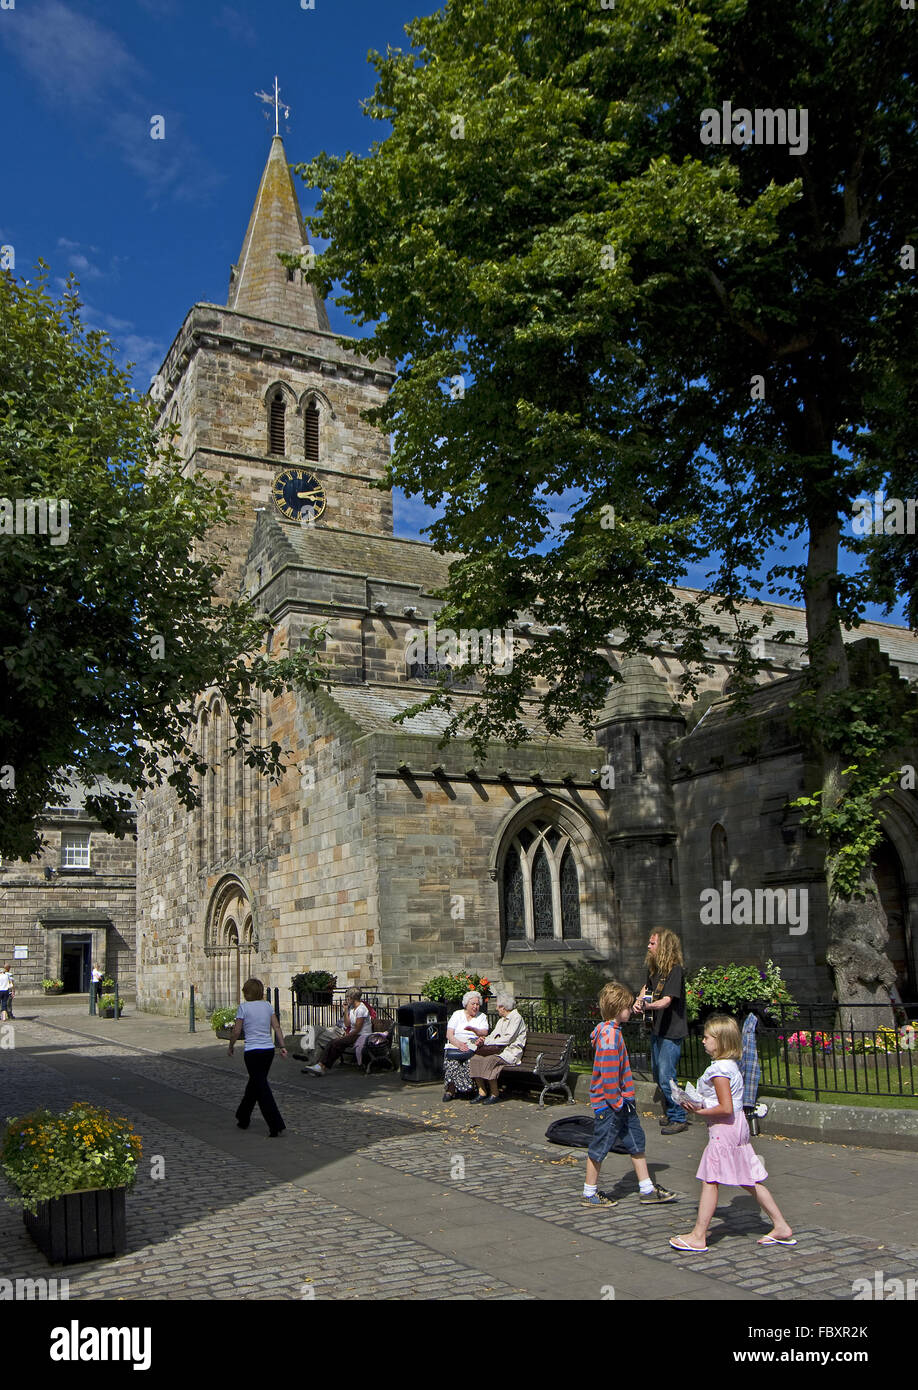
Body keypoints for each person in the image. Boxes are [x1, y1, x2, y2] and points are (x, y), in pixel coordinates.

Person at [670, 1013, 795, 1252]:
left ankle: (698, 1235)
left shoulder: (719, 1070)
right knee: (749, 1178)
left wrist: (697, 1110)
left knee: (711, 1180)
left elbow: (724, 1107)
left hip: (724, 1130)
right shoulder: (730, 1066)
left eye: (707, 1037)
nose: (703, 1041)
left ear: (720, 1041)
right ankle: (780, 1225)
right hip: (737, 1127)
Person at [582, 981, 676, 1208]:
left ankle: (646, 1188)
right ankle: (589, 1192)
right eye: (626, 1007)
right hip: (613, 1104)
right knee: (600, 1146)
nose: (631, 1010)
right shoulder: (611, 1039)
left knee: (636, 1142)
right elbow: (609, 1076)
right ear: (617, 1009)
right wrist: (617, 1102)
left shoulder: (608, 1031)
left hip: (623, 1102)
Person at [635, 928, 688, 1133]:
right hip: (656, 1028)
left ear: (664, 946)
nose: (648, 946)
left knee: (667, 1076)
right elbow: (646, 989)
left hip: (671, 1031)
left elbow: (666, 1001)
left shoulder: (675, 970)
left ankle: (678, 1116)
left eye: (652, 943)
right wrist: (639, 1001)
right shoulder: (654, 968)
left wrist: (649, 1006)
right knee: (658, 1075)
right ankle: (670, 1112)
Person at [229, 977, 287, 1137]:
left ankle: (275, 1124)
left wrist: (231, 1045)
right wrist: (282, 1045)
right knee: (255, 1083)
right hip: (267, 1050)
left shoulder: (244, 1008)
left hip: (253, 1051)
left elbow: (236, 1030)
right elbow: (276, 1026)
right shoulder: (267, 1006)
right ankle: (243, 1116)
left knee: (261, 1086)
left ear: (247, 993)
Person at [469, 992, 528, 1103]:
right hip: (498, 1050)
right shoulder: (502, 1020)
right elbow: (493, 1035)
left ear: (503, 1007)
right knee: (475, 1059)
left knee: (490, 1060)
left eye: (497, 1006)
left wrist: (488, 1042)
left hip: (510, 1053)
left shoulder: (516, 1018)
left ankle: (495, 1093)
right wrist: (484, 1040)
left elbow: (508, 1039)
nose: (496, 1009)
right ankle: (482, 1092)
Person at [304, 988, 372, 1074]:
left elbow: (358, 1029)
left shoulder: (361, 1009)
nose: (346, 999)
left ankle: (322, 1066)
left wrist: (346, 1036)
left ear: (352, 998)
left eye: (348, 997)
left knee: (336, 1043)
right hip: (353, 1034)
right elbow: (347, 1024)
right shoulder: (352, 1009)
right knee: (333, 1042)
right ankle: (320, 1065)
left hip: (361, 1035)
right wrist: (346, 1010)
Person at [443, 990, 489, 1101]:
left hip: (471, 1044)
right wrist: (458, 1044)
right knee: (452, 1061)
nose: (475, 1006)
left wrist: (475, 1030)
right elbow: (449, 1034)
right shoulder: (457, 1014)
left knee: (469, 1061)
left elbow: (485, 1032)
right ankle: (451, 1090)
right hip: (456, 1042)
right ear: (466, 1004)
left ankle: (468, 1090)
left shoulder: (481, 1016)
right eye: (473, 1004)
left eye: (477, 1004)